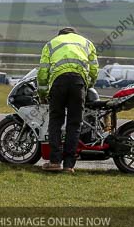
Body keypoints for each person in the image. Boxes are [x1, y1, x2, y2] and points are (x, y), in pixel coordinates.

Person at [37, 26, 98, 173]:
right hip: (78, 84)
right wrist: (88, 85)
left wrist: (43, 93)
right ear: (74, 34)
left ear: (61, 34)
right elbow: (94, 69)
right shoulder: (86, 43)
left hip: (59, 83)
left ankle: (55, 161)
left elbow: (43, 71)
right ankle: (69, 165)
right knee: (74, 123)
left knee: (56, 121)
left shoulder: (51, 44)